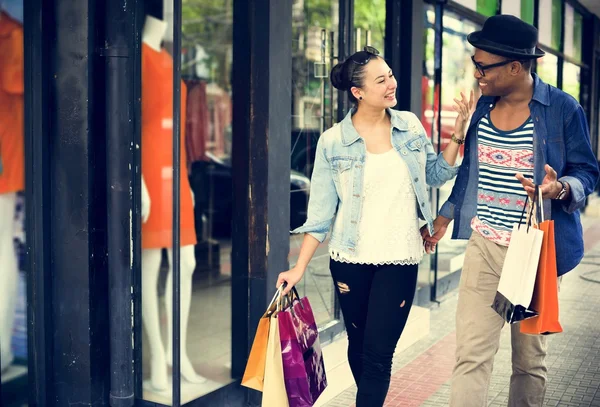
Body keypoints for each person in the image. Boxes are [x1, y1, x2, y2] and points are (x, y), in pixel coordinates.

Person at [276, 46, 472, 406]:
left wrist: (458, 134)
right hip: (349, 259)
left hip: (400, 257)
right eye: (381, 80)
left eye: (391, 75)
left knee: (379, 354)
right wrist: (298, 268)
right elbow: (319, 216)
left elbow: (434, 174)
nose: (391, 84)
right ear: (358, 92)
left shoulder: (409, 125)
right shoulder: (333, 142)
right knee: (360, 345)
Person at [421, 15, 600, 407]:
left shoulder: (562, 110)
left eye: (483, 65)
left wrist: (560, 187)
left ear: (515, 67)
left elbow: (588, 171)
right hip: (484, 246)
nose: (476, 72)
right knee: (471, 355)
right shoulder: (483, 107)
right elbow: (470, 173)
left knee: (529, 362)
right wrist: (444, 217)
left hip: (534, 253)